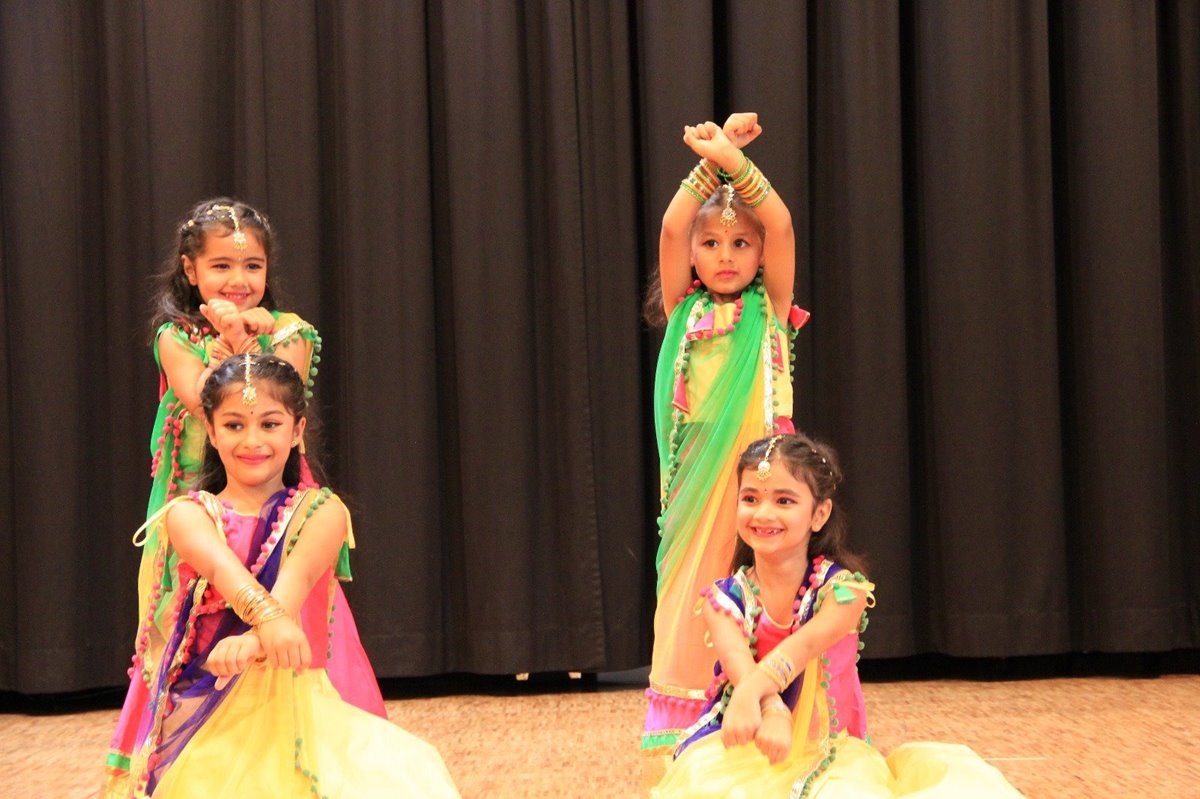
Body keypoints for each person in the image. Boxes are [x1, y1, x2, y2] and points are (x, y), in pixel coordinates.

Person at [105, 200, 384, 784]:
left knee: (296, 617)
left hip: (280, 511)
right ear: (190, 269)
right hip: (200, 514)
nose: (238, 279)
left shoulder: (290, 332)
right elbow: (206, 398)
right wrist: (229, 338)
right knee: (188, 633)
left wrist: (246, 340)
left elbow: (269, 395)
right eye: (221, 265)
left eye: (252, 265)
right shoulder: (176, 337)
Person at [103, 354, 460, 798]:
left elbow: (292, 589)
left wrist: (255, 640)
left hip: (294, 699)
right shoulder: (190, 515)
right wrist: (266, 624)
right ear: (211, 431)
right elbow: (225, 571)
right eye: (234, 425)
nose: (252, 440)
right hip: (204, 700)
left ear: (297, 430)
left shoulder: (321, 511)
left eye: (269, 424)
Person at [652, 434, 1024, 798]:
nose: (763, 513)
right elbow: (743, 672)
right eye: (750, 498)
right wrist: (773, 710)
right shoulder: (723, 601)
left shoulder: (843, 593)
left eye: (784, 500)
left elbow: (799, 649)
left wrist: (761, 701)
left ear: (819, 514)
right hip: (749, 738)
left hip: (829, 751)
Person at [644, 113, 812, 752]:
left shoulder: (771, 308)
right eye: (711, 242)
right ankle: (689, 712)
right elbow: (671, 224)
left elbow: (781, 222)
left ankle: (771, 707)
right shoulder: (682, 309)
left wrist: (733, 163)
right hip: (696, 479)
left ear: (761, 256)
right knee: (692, 584)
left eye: (741, 243)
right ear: (692, 253)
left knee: (766, 583)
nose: (725, 255)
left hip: (761, 478)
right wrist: (709, 162)